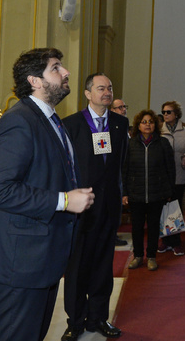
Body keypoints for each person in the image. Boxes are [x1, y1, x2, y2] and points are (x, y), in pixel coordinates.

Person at [0, 48, 95, 341]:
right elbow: (1, 190)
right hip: (20, 261)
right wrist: (65, 201)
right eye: (56, 68)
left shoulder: (52, 120)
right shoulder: (19, 121)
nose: (66, 72)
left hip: (42, 257)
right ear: (35, 81)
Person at [61, 74, 129, 340]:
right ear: (88, 94)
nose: (107, 92)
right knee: (78, 265)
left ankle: (98, 318)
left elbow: (121, 164)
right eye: (101, 88)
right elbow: (66, 167)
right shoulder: (72, 125)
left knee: (103, 264)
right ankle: (75, 321)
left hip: (109, 205)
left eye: (110, 88)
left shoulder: (120, 124)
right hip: (81, 206)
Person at [122, 110, 176, 271]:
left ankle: (151, 256)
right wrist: (124, 192)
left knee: (153, 227)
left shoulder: (163, 143)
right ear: (138, 125)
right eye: (144, 122)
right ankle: (138, 256)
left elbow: (170, 169)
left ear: (155, 125)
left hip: (156, 193)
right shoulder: (130, 144)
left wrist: (168, 191)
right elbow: (124, 170)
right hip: (135, 193)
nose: (147, 125)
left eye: (150, 122)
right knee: (137, 227)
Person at [158, 100, 185, 256]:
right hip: (163, 176)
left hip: (180, 175)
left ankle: (175, 242)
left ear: (176, 114)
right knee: (164, 208)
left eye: (168, 112)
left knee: (175, 208)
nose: (165, 115)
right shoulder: (159, 130)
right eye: (163, 112)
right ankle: (165, 240)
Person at [109, 97, 130, 247]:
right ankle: (110, 236)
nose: (123, 109)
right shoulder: (110, 127)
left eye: (124, 106)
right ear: (112, 110)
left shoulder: (124, 126)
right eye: (119, 107)